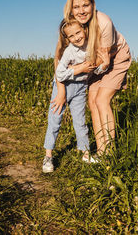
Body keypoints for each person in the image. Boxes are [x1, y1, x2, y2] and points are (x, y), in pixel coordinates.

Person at [53, 0, 132, 156]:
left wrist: (77, 68)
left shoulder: (104, 22)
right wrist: (61, 91)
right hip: (92, 63)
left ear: (93, 5)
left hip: (113, 58)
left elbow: (103, 59)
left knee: (102, 99)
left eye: (86, 5)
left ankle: (109, 154)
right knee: (92, 101)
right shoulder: (70, 26)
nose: (81, 11)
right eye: (76, 7)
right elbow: (58, 58)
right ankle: (101, 151)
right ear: (70, 9)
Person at [43, 18, 103, 173]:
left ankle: (85, 153)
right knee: (55, 120)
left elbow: (94, 68)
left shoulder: (91, 47)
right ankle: (48, 156)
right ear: (67, 38)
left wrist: (99, 65)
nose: (76, 37)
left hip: (80, 87)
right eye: (71, 36)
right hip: (65, 86)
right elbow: (60, 73)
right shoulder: (69, 51)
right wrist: (78, 69)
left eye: (78, 32)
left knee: (80, 122)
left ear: (84, 30)